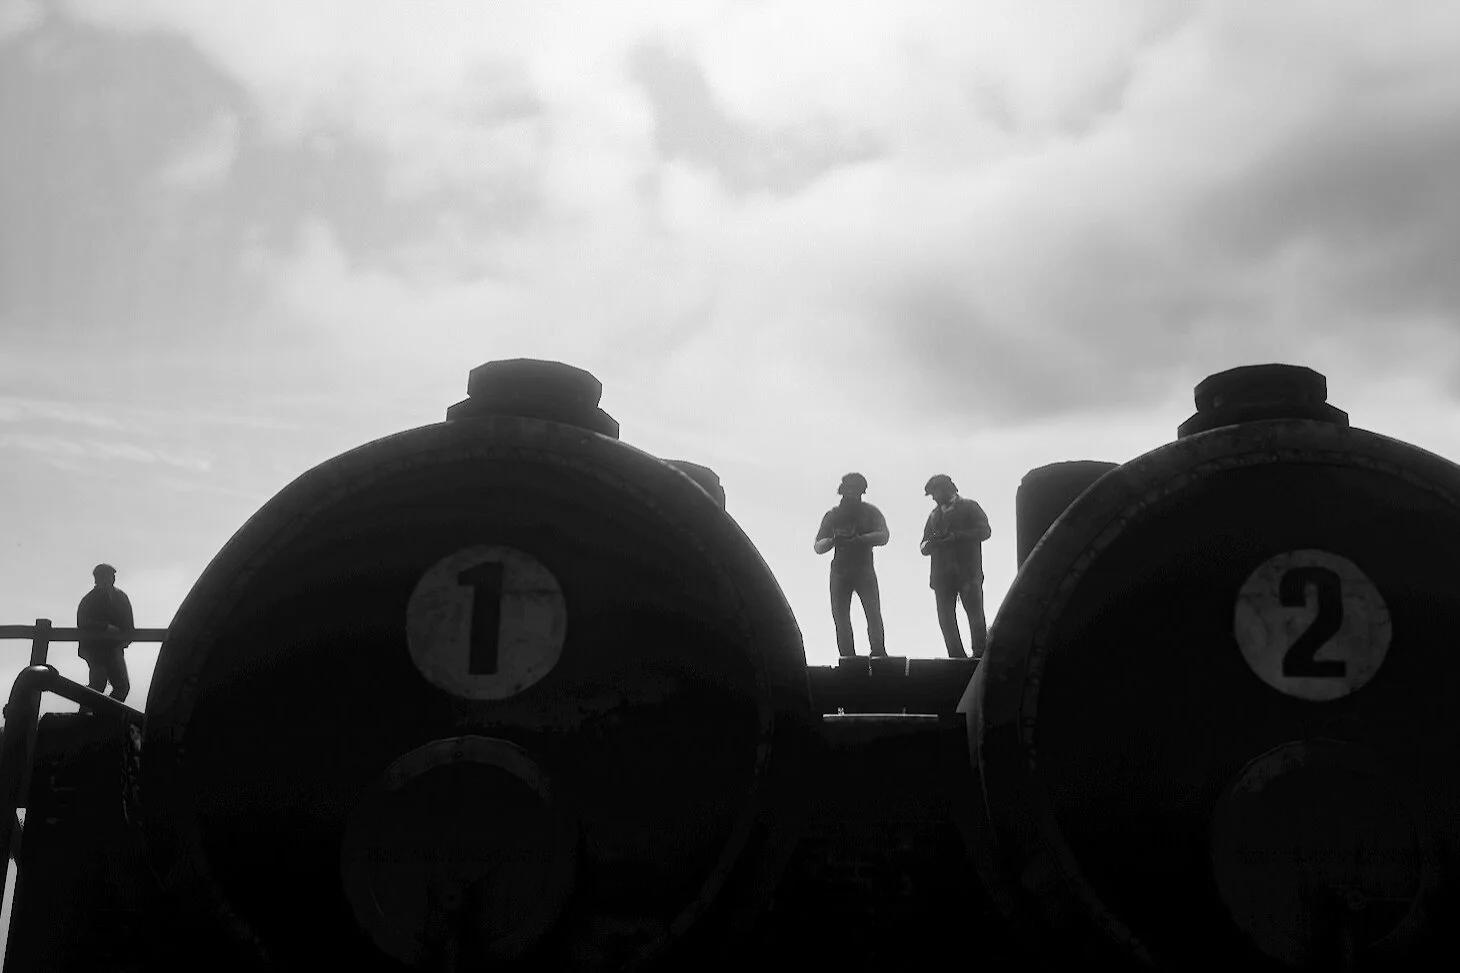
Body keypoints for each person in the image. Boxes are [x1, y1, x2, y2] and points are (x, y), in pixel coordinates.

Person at [814, 473, 890, 658]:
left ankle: (878, 653)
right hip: (840, 572)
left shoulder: (870, 512)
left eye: (856, 490)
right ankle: (848, 657)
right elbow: (818, 546)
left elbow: (884, 535)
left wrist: (861, 539)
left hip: (864, 570)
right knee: (841, 618)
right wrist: (833, 540)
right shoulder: (833, 515)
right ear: (843, 490)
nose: (852, 493)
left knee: (873, 614)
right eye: (849, 489)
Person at [920, 474, 991, 659]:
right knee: (946, 619)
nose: (934, 498)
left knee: (975, 615)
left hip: (967, 573)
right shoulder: (934, 516)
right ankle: (956, 656)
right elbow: (923, 545)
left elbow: (985, 531)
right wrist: (931, 543)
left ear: (946, 489)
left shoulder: (969, 507)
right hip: (942, 576)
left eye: (934, 493)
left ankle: (980, 653)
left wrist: (958, 536)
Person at [77, 563, 135, 707]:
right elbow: (83, 622)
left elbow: (129, 624)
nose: (108, 580)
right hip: (94, 648)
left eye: (110, 577)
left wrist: (126, 638)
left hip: (114, 647)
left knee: (122, 686)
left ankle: (106, 714)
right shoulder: (88, 600)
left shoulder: (121, 598)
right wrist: (105, 627)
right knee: (98, 682)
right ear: (96, 580)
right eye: (104, 577)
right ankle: (84, 715)